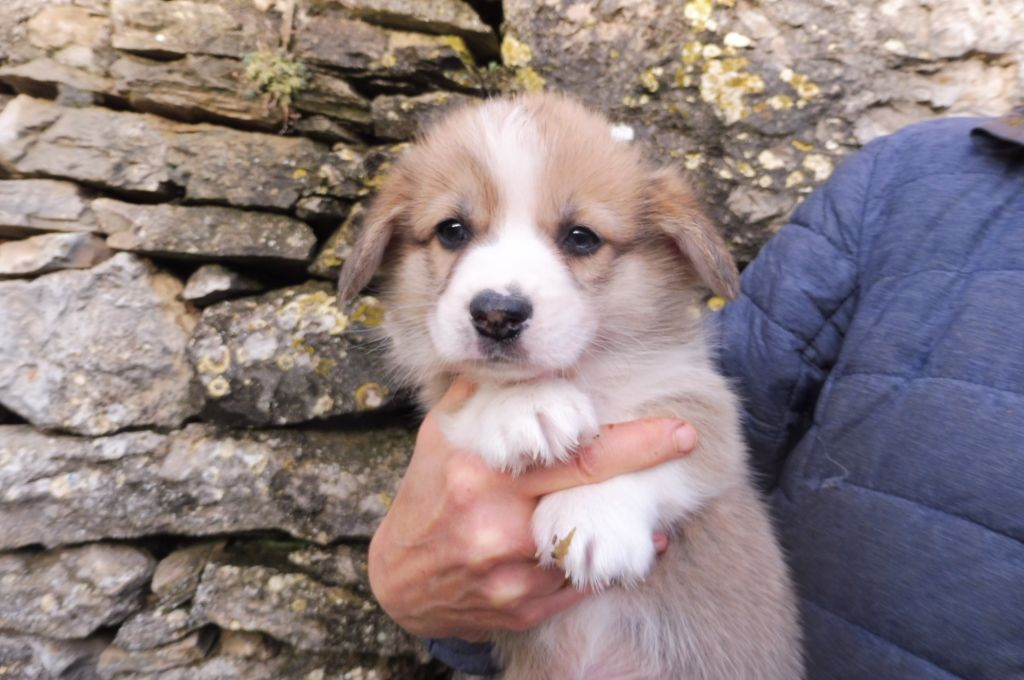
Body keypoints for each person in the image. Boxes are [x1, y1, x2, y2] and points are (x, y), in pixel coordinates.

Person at [368, 109, 1024, 678]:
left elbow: (703, 428)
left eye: (579, 239)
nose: (499, 299)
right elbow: (732, 399)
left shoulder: (655, 354)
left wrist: (626, 490)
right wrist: (413, 581)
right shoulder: (912, 178)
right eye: (454, 231)